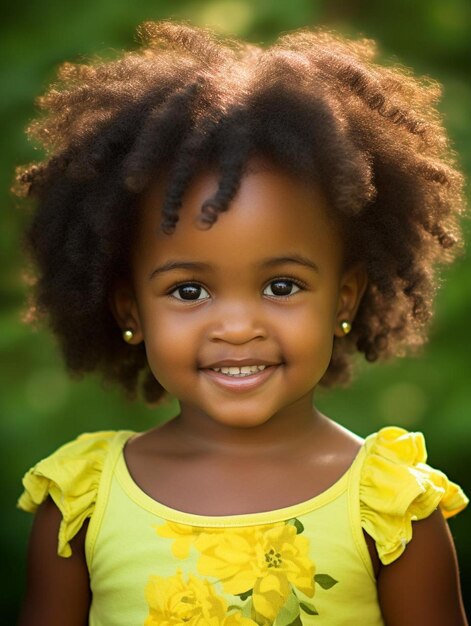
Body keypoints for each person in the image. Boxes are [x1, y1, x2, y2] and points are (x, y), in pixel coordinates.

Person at [14, 20, 468, 626]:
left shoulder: (390, 510)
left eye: (282, 286)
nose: (236, 327)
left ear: (345, 299)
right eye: (189, 289)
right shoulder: (82, 506)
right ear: (130, 310)